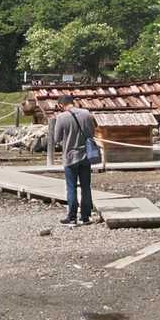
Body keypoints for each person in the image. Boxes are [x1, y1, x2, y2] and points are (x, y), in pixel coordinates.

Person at [48, 95, 99, 225]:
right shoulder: (86, 113)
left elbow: (57, 138)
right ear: (73, 102)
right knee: (86, 186)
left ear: (61, 105)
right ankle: (85, 216)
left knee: (71, 187)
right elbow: (92, 132)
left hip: (70, 156)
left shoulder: (61, 117)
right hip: (86, 155)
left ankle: (72, 216)